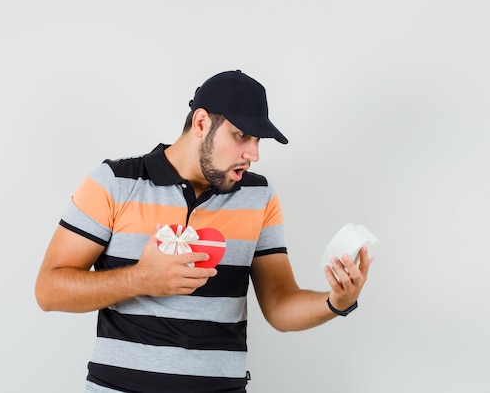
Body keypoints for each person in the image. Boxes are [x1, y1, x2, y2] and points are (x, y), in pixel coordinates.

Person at [35, 69, 373, 393]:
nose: (253, 154)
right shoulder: (114, 183)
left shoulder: (260, 197)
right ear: (201, 123)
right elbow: (49, 290)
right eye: (242, 135)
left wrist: (336, 302)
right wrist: (142, 279)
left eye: (257, 140)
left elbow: (280, 306)